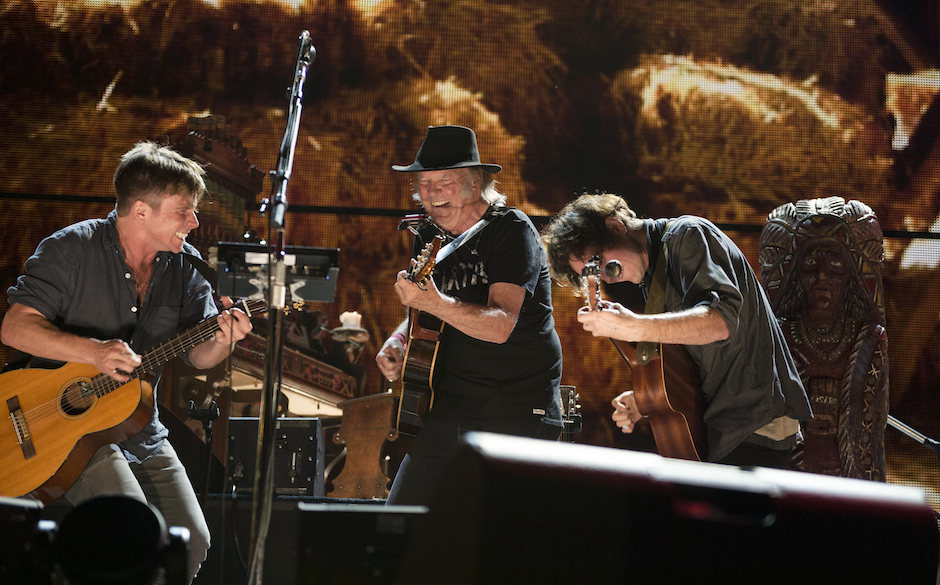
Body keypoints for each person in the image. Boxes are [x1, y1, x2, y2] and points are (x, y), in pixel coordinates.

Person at [0, 141, 252, 582]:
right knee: (133, 534)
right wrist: (93, 352)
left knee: (192, 538)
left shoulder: (186, 269)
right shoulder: (70, 249)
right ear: (140, 211)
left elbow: (197, 354)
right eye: (183, 211)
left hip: (137, 426)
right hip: (61, 431)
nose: (194, 222)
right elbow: (14, 328)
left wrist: (225, 339)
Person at [541, 193, 812, 468]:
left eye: (597, 261)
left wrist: (635, 326)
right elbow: (693, 358)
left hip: (758, 423)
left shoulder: (688, 235)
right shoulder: (651, 278)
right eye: (592, 272)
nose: (603, 275)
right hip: (723, 429)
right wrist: (647, 399)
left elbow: (720, 322)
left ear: (615, 226)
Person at [375, 125, 563, 505]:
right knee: (400, 523)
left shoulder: (511, 230)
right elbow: (426, 305)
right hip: (448, 406)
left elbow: (500, 325)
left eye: (444, 182)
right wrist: (399, 340)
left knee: (496, 543)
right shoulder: (427, 235)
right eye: (424, 183)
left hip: (515, 412)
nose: (430, 193)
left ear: (475, 185)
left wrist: (433, 303)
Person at [759, 197, 888, 480]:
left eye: (835, 264)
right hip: (793, 475)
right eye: (810, 264)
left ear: (850, 277)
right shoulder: (780, 338)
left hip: (848, 476)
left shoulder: (867, 339)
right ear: (795, 275)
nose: (822, 275)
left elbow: (870, 424)